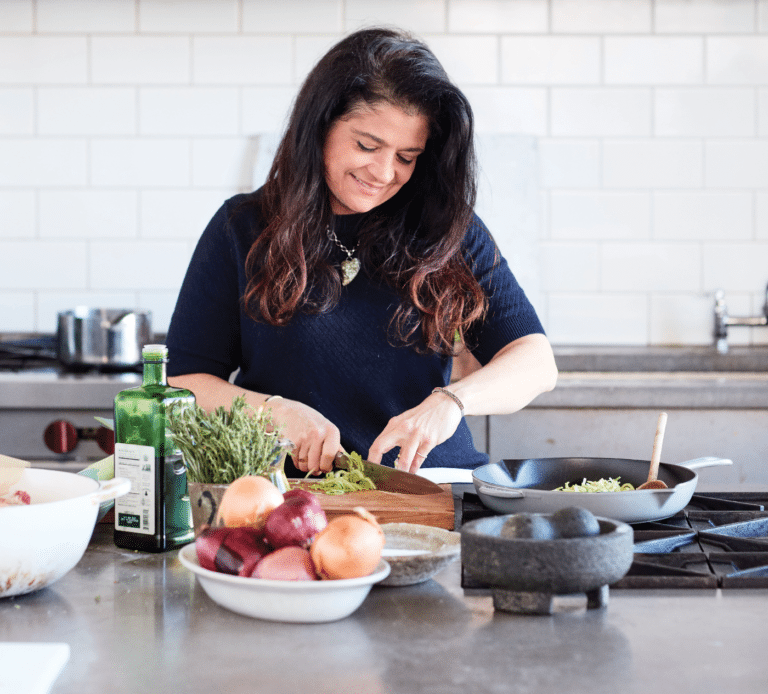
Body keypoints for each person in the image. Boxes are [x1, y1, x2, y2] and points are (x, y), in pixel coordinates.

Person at [165, 27, 557, 477]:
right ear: (320, 126)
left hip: (431, 486)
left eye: (407, 157)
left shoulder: (447, 228)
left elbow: (536, 361)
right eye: (367, 146)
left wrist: (451, 402)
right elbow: (183, 384)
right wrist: (275, 412)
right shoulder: (243, 228)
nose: (384, 172)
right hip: (297, 495)